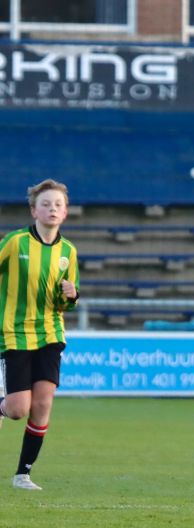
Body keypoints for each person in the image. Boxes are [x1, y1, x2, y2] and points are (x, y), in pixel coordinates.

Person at [0, 179, 79, 491]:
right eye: (45, 204)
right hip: (15, 333)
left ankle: (22, 474)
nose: (52, 209)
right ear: (34, 210)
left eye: (58, 204)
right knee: (18, 409)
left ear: (66, 212)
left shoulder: (68, 252)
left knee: (43, 403)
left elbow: (65, 302)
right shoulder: (15, 242)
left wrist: (71, 295)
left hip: (50, 333)